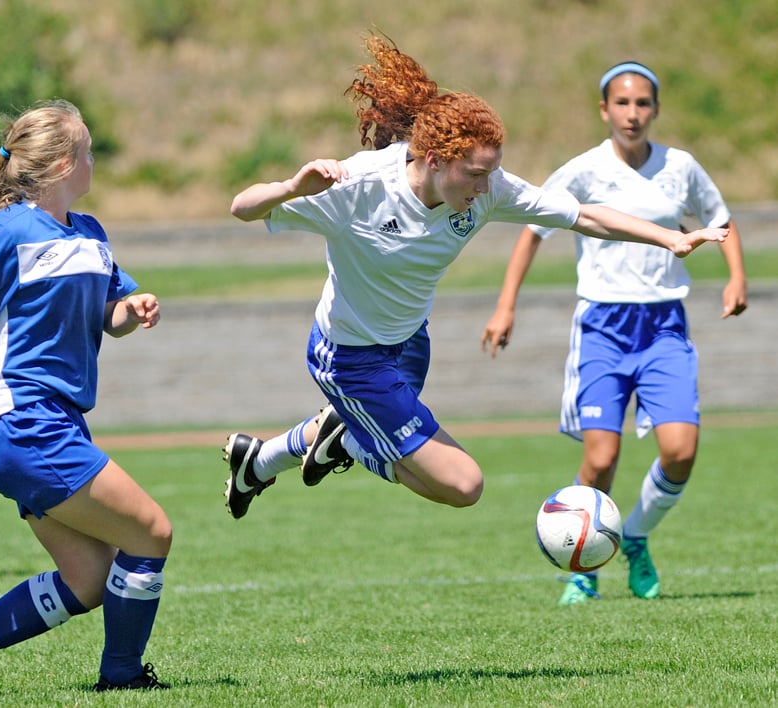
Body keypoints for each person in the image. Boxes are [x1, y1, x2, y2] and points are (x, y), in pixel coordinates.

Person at [222, 36, 727, 522]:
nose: (487, 188)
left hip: (410, 341)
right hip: (351, 358)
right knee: (463, 485)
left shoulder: (488, 188)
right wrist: (291, 187)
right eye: (476, 175)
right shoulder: (357, 189)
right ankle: (352, 438)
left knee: (375, 431)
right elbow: (241, 208)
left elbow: (584, 216)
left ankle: (259, 462)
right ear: (436, 160)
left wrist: (668, 239)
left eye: (492, 173)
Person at [480, 61, 747, 605]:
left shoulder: (681, 167)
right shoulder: (582, 170)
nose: (632, 113)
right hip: (603, 326)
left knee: (680, 451)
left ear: (655, 109)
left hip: (664, 325)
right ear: (605, 110)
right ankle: (583, 567)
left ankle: (637, 536)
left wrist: (736, 277)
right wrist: (505, 306)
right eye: (622, 103)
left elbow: (720, 219)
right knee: (600, 460)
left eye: (642, 103)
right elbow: (532, 231)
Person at [0, 99, 172, 694]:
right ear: (64, 164)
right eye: (88, 153)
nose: (93, 162)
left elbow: (107, 315)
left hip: (50, 423)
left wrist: (128, 310)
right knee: (151, 531)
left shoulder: (89, 233)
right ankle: (121, 675)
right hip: (22, 422)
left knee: (88, 579)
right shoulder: (7, 231)